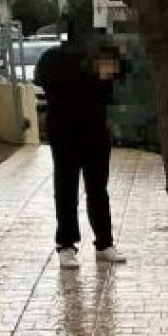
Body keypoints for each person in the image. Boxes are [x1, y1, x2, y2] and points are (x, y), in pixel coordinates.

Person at [35, 18, 127, 269]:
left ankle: (100, 244)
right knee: (72, 188)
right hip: (68, 132)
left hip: (91, 130)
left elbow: (113, 84)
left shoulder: (94, 58)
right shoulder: (54, 58)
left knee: (91, 188)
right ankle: (70, 245)